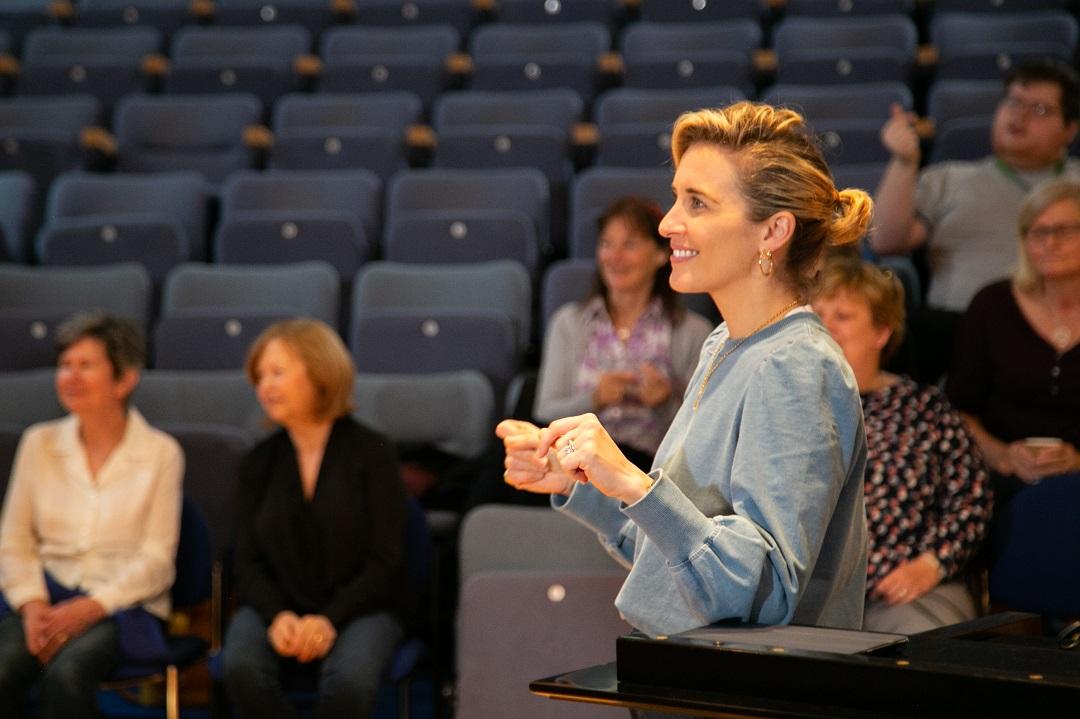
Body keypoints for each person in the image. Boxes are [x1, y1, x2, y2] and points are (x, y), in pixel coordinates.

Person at [499, 102, 873, 640]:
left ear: (773, 232)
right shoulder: (725, 342)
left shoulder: (797, 364)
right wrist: (585, 484)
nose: (668, 222)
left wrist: (632, 481)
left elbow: (764, 592)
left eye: (696, 203)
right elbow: (680, 559)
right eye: (677, 199)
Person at [0, 312, 183, 719]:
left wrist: (93, 606)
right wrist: (31, 605)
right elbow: (14, 541)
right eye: (65, 365)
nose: (70, 376)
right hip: (43, 598)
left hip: (120, 606)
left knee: (67, 675)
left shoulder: (160, 453)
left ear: (125, 378)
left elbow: (156, 560)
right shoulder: (38, 443)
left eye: (86, 366)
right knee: (3, 669)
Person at [222, 318, 407, 719]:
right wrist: (279, 616)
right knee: (240, 667)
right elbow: (246, 560)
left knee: (349, 682)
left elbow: (386, 561)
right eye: (260, 375)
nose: (265, 386)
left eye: (278, 372)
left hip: (362, 606)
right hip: (280, 605)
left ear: (320, 372)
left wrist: (329, 619)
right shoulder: (257, 462)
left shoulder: (371, 453)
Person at [813, 256, 992, 634]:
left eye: (842, 316)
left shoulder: (923, 407)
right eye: (816, 315)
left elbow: (971, 498)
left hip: (905, 587)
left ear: (881, 332)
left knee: (921, 650)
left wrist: (932, 563)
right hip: (811, 594)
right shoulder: (787, 404)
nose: (824, 328)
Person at [871, 59, 1080, 313]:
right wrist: (904, 162)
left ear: (1070, 129)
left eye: (1038, 109)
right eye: (1013, 102)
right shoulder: (948, 178)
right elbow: (885, 241)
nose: (1019, 115)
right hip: (960, 327)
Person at [534, 196, 713, 471]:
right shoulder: (568, 323)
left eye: (629, 244)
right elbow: (545, 412)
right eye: (607, 244)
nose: (614, 257)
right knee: (509, 458)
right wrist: (595, 399)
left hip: (644, 466)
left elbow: (702, 437)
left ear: (660, 254)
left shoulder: (693, 332)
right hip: (570, 457)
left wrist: (664, 402)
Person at [948, 178, 1080, 501]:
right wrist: (1003, 456)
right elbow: (959, 410)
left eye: (1063, 230)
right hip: (1000, 478)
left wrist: (1077, 460)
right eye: (1038, 232)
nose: (1050, 243)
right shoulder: (992, 305)